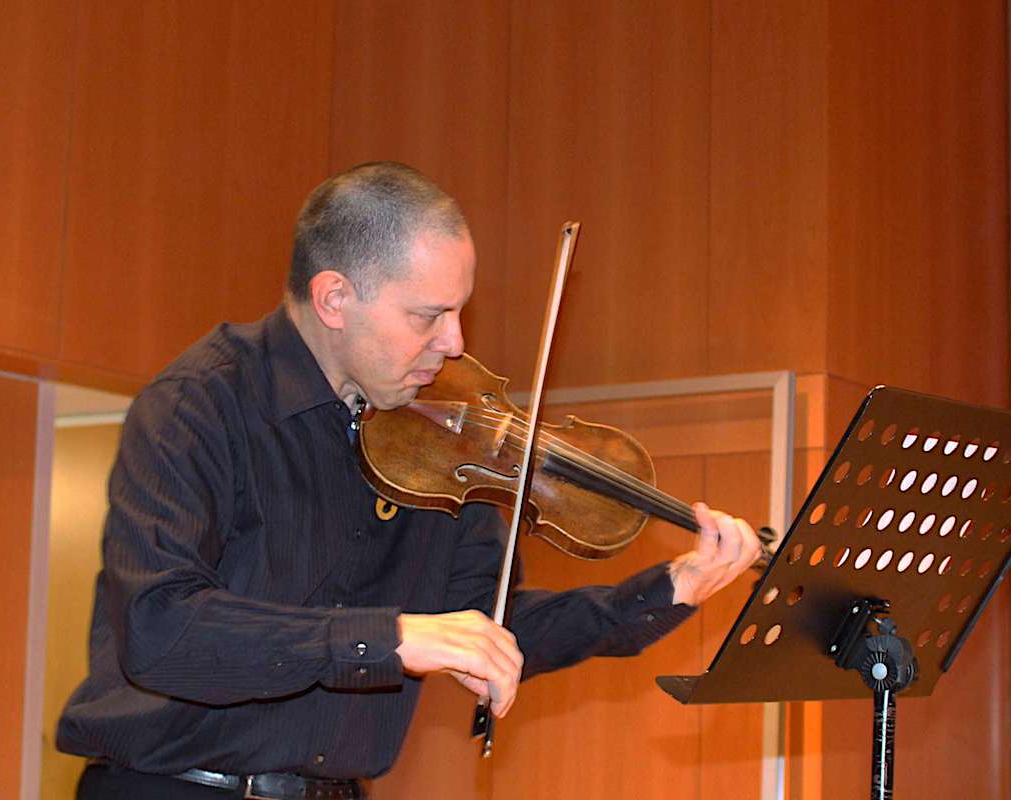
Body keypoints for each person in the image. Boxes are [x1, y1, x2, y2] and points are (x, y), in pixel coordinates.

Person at [57, 161, 761, 799]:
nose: (455, 343)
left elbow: (486, 628)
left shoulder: (438, 439)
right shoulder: (198, 406)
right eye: (429, 315)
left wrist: (670, 589)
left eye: (459, 310)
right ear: (334, 298)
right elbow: (161, 628)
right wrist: (389, 637)